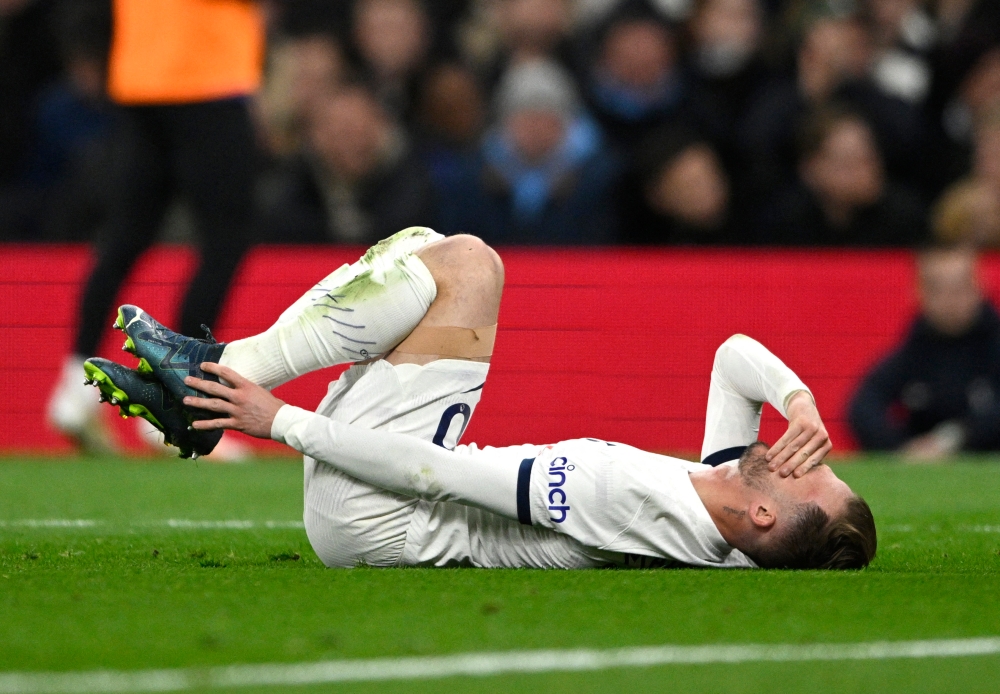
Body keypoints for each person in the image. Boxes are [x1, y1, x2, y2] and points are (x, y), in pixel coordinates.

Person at [86, 228, 877, 570]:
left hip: (383, 513)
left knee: (465, 265)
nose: (801, 450)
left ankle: (214, 379)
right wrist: (800, 399)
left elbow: (439, 478)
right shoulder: (721, 506)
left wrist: (278, 420)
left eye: (812, 470)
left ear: (768, 515)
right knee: (424, 252)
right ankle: (211, 372)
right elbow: (734, 356)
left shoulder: (625, 499)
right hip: (382, 505)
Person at [46, 0, 265, 456]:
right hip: (205, 72)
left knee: (127, 232)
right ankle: (180, 399)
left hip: (140, 72)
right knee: (226, 236)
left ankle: (73, 386)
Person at [850, 245, 1000, 458]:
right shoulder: (912, 352)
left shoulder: (994, 348)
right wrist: (903, 448)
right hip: (922, 468)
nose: (950, 300)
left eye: (960, 288)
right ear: (918, 292)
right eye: (937, 289)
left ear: (980, 288)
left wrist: (956, 438)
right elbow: (863, 407)